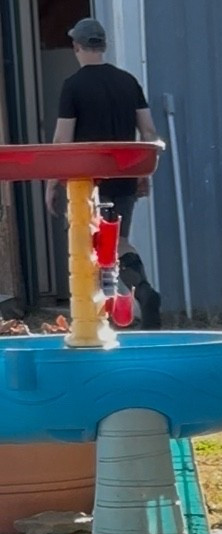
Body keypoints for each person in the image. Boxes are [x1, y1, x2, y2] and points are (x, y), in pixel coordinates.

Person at [44, 16, 162, 328]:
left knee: (86, 246)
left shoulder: (73, 86)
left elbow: (61, 140)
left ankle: (101, 317)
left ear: (76, 46)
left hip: (86, 181)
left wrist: (52, 184)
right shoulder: (128, 81)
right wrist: (143, 173)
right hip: (123, 175)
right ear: (104, 46)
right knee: (119, 240)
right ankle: (144, 291)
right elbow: (149, 132)